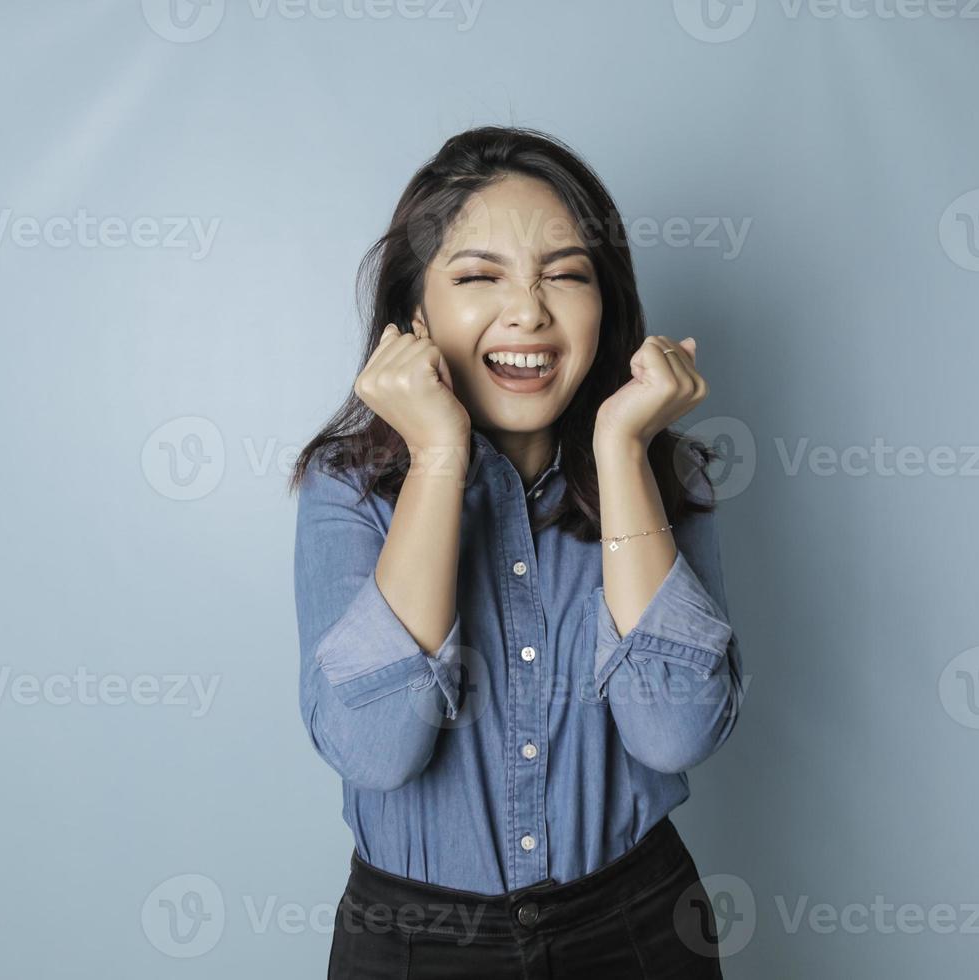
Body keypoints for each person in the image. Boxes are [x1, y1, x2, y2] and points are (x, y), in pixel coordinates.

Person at [290, 125, 743, 979]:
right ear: (415, 314)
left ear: (604, 305)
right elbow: (376, 749)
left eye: (566, 276)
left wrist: (621, 453)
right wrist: (436, 457)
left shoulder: (662, 475)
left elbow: (675, 730)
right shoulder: (346, 492)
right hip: (413, 945)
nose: (529, 311)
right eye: (478, 277)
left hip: (639, 928)